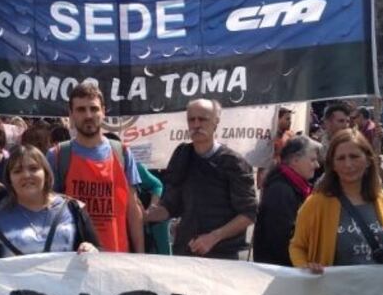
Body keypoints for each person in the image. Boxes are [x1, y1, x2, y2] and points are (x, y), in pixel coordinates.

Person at [0, 145, 100, 273]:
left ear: (46, 173)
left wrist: (93, 252)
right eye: (17, 171)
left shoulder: (73, 209)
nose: (26, 175)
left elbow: (99, 255)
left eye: (33, 168)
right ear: (9, 179)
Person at [289, 129, 383, 273]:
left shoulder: (379, 197)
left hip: (380, 292)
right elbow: (297, 246)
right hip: (334, 293)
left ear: (368, 160)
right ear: (333, 165)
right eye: (341, 158)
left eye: (354, 156)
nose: (348, 164)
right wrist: (305, 267)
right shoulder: (317, 203)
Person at [145, 99, 258, 259]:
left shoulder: (234, 163)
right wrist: (145, 214)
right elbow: (172, 205)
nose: (196, 124)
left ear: (216, 122)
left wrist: (214, 237)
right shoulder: (183, 155)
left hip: (222, 257)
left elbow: (249, 214)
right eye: (192, 119)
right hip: (185, 252)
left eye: (202, 119)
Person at [49, 83, 144, 253]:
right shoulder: (57, 156)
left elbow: (133, 209)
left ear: (103, 111)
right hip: (72, 261)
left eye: (94, 109)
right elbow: (47, 210)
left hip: (116, 260)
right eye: (80, 109)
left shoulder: (122, 153)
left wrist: (140, 255)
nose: (88, 115)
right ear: (70, 114)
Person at [253, 136, 320, 266]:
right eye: (312, 160)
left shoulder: (295, 186)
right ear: (295, 160)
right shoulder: (281, 191)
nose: (317, 165)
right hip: (281, 270)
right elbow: (282, 239)